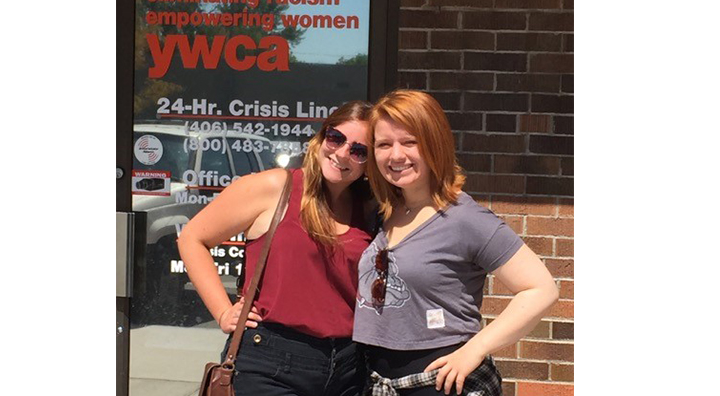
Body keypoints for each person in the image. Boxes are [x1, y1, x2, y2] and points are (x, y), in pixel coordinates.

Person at [353, 90, 559, 396]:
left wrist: (474, 351)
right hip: (377, 381)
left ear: (435, 144)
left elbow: (542, 289)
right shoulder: (383, 212)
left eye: (410, 142)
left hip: (439, 383)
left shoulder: (464, 219)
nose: (396, 155)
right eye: (384, 144)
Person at [177, 100, 375, 396]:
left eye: (358, 151)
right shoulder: (275, 187)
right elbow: (192, 238)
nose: (342, 153)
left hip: (348, 368)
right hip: (270, 363)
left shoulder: (369, 208)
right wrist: (222, 312)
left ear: (368, 164)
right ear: (322, 137)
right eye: (336, 138)